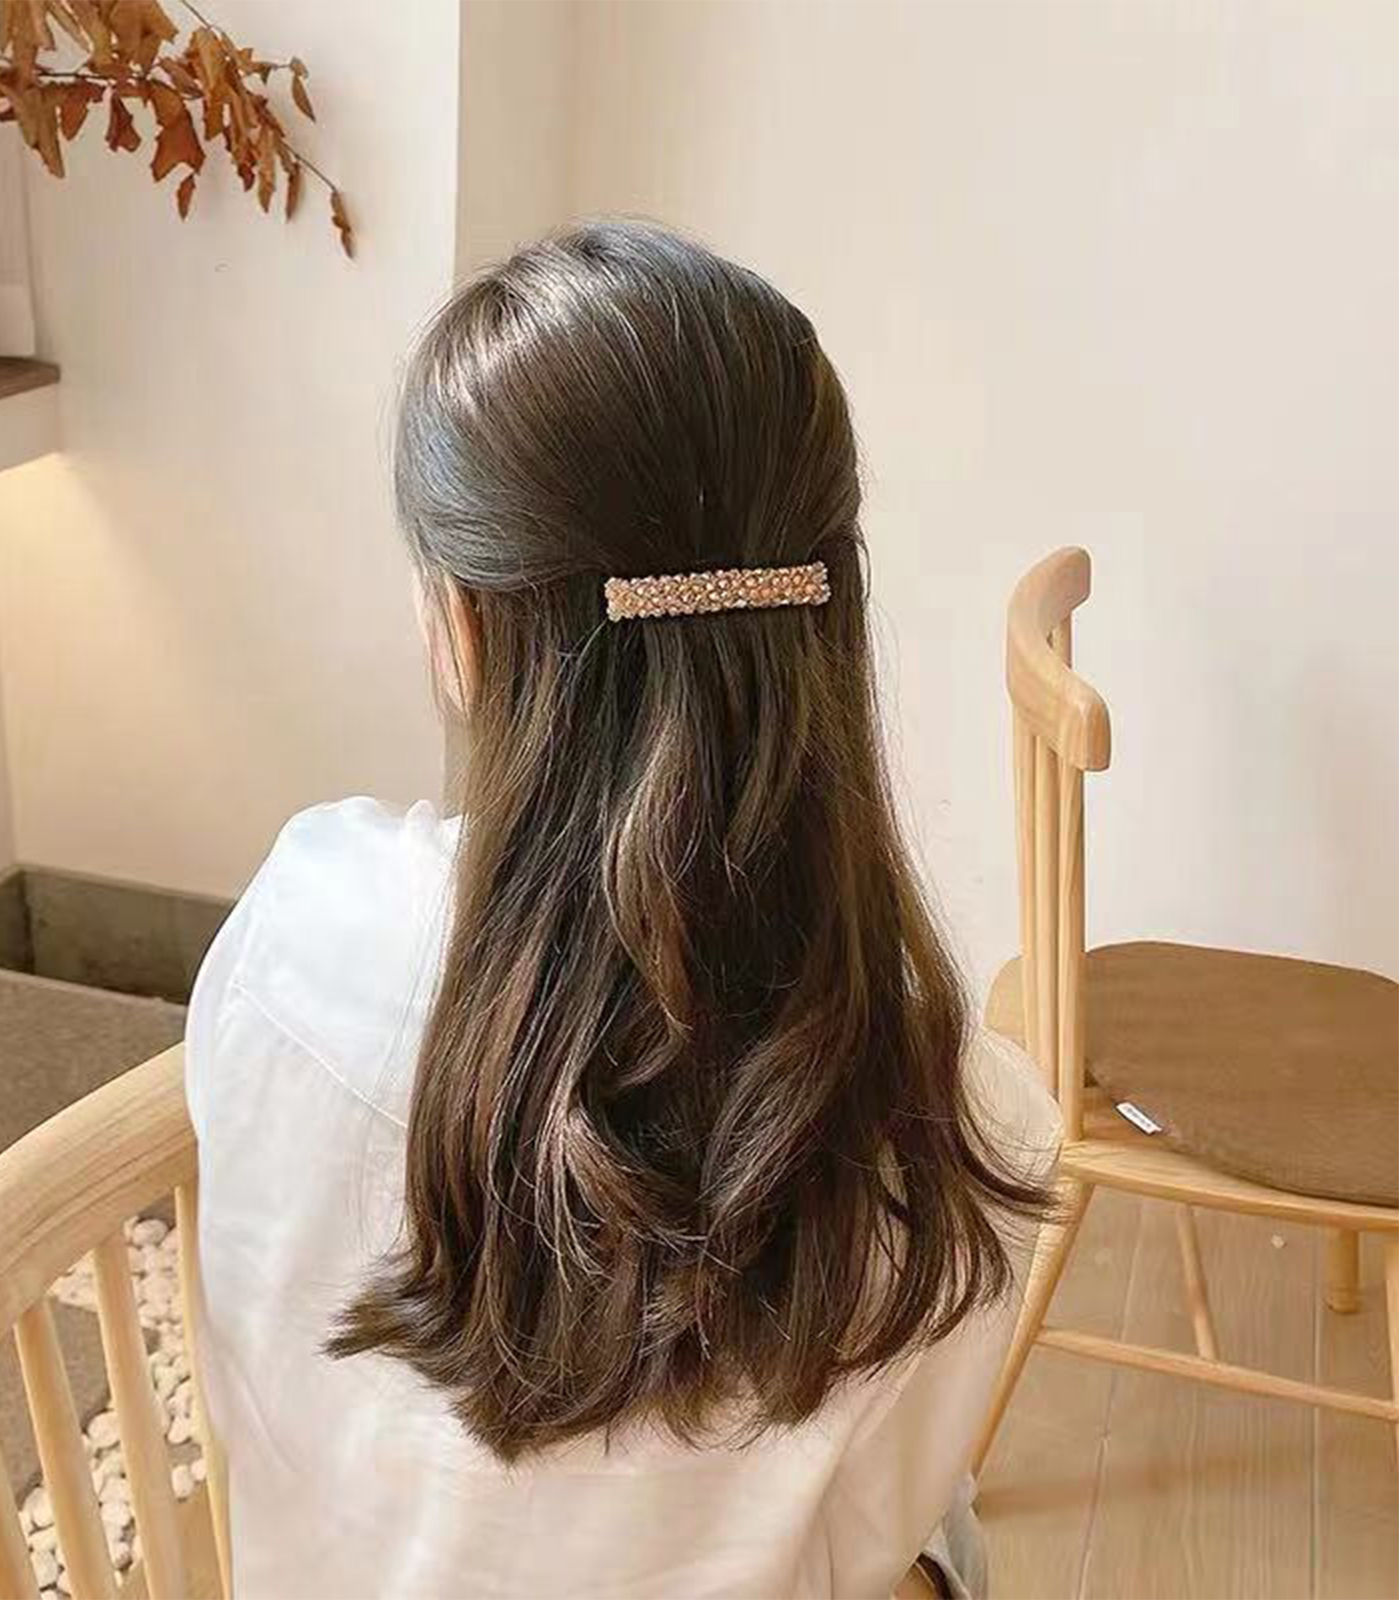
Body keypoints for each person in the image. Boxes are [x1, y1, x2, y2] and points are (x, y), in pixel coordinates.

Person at [184, 221, 1059, 1600]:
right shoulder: (964, 1124)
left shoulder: (302, 927)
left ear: (460, 631)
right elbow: (861, 1555)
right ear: (830, 619)